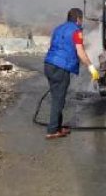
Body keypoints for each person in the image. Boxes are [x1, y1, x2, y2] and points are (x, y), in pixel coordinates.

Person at [43, 8, 100, 139]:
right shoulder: (76, 31)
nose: (82, 22)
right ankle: (52, 130)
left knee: (57, 96)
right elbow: (80, 52)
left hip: (49, 64)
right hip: (60, 67)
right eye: (82, 19)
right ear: (78, 19)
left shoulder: (58, 28)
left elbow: (53, 46)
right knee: (58, 99)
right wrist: (91, 68)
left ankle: (57, 126)